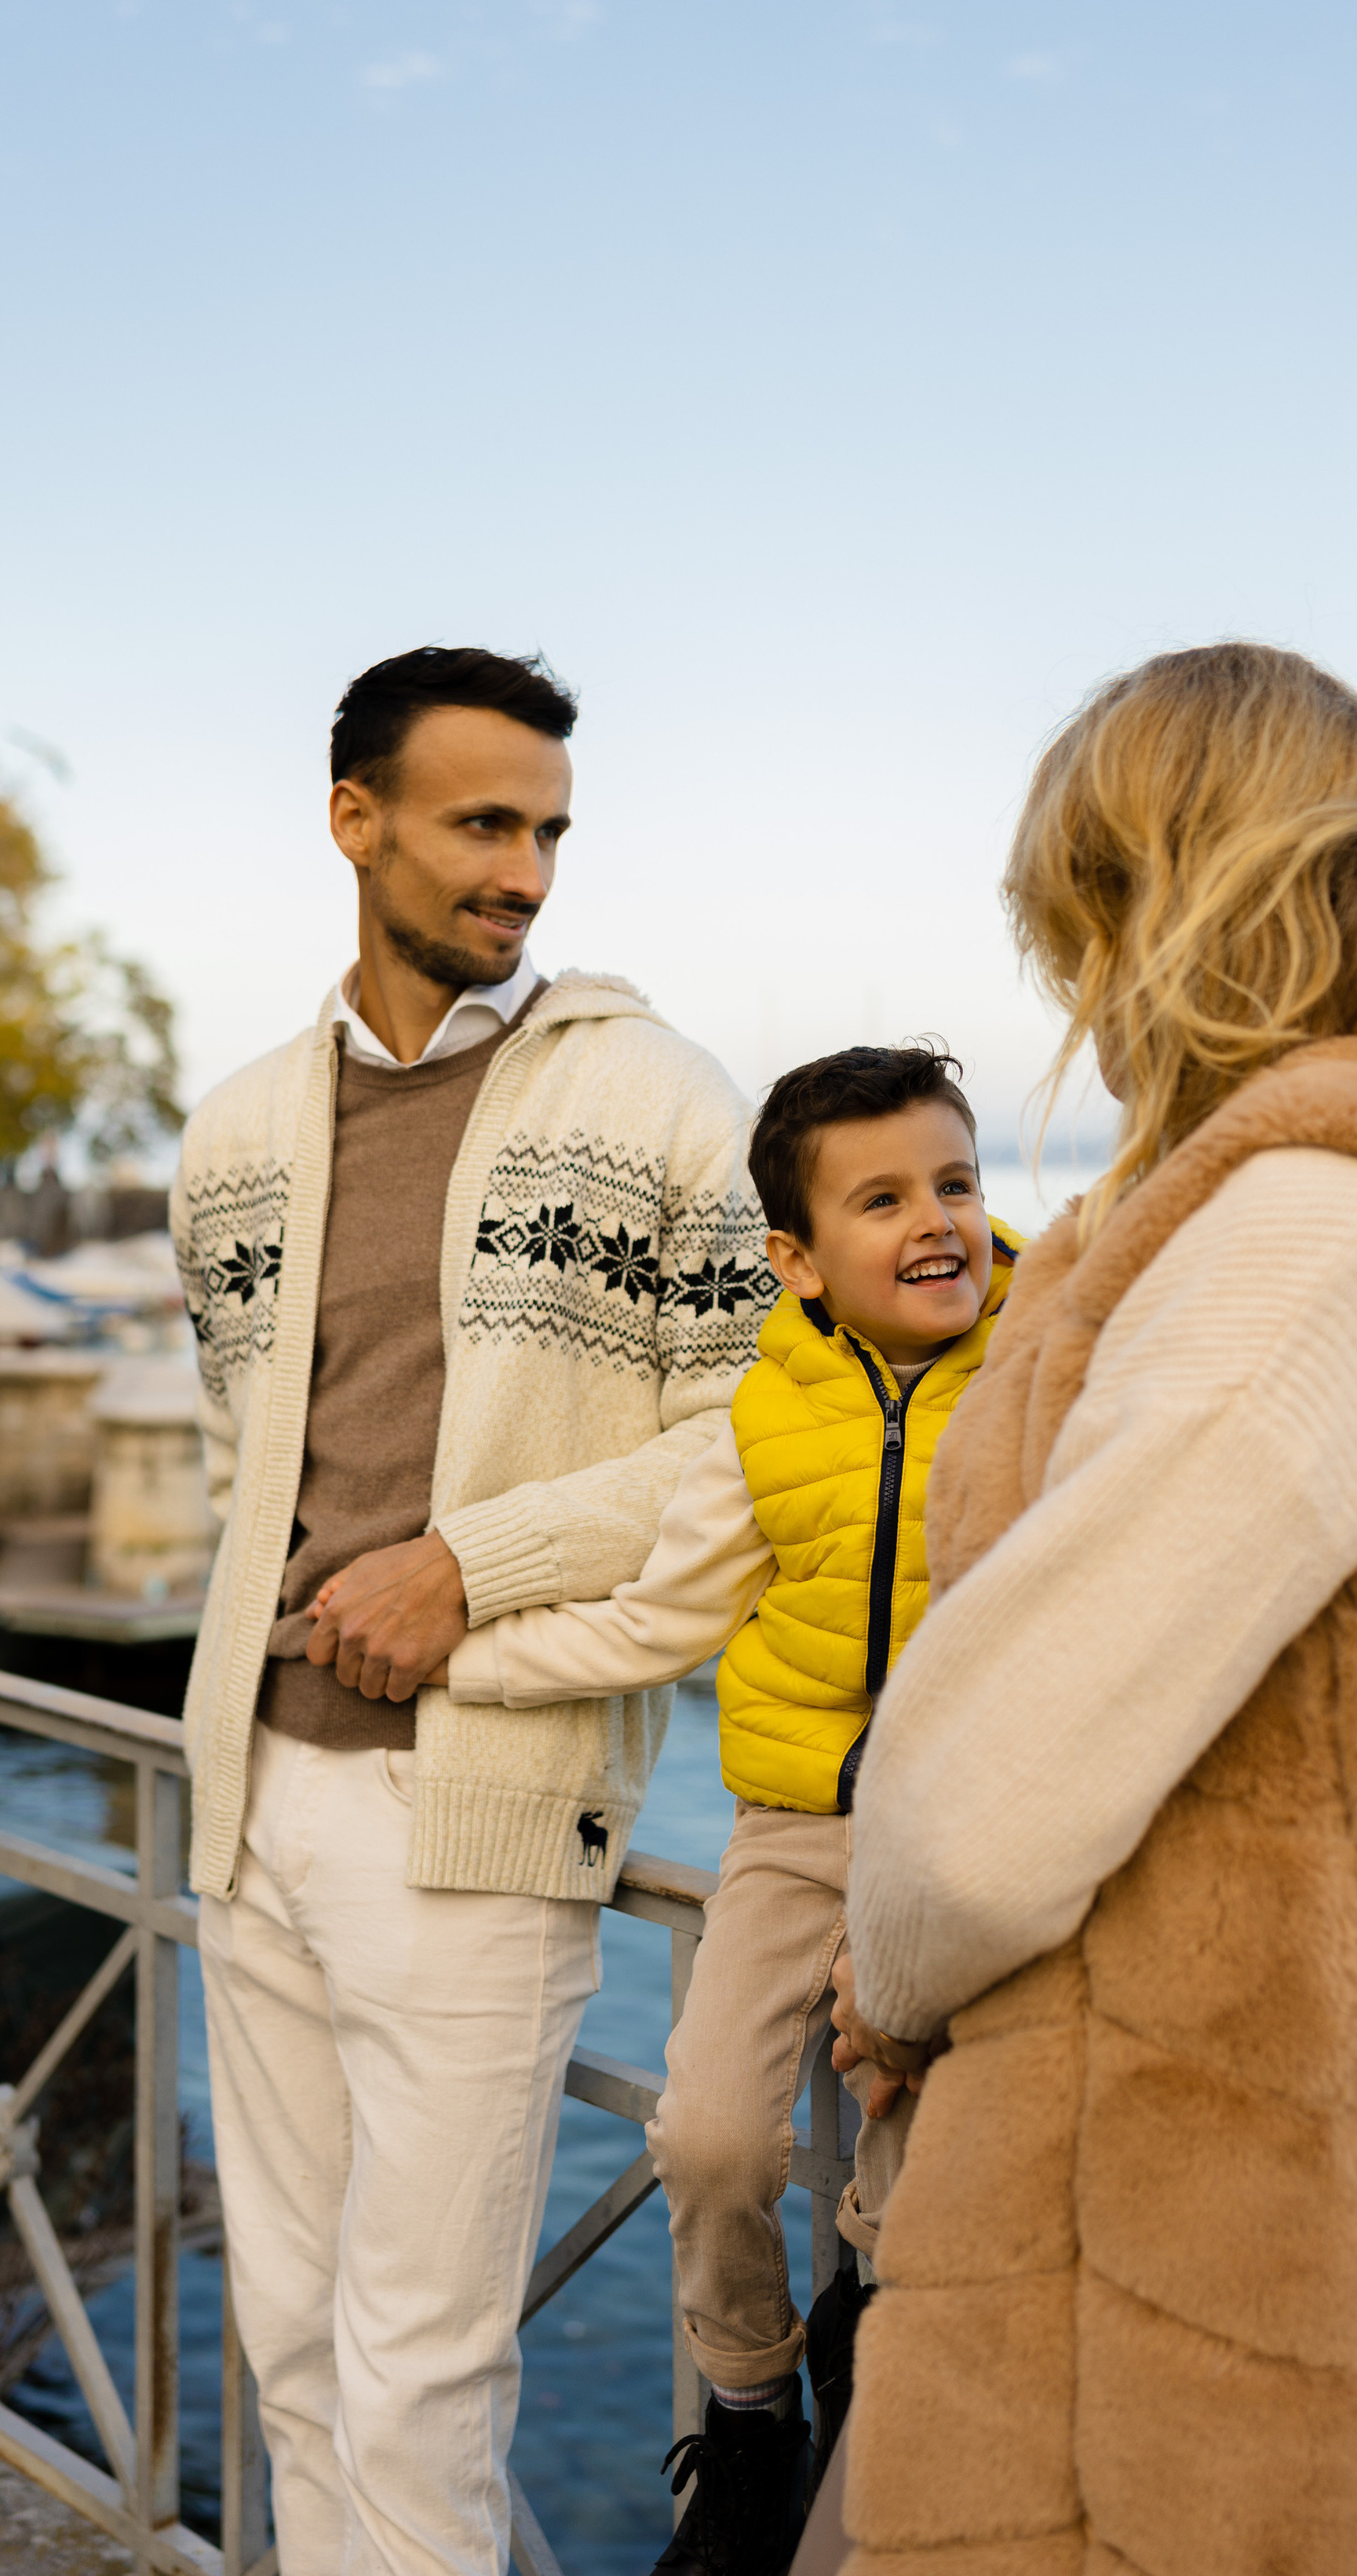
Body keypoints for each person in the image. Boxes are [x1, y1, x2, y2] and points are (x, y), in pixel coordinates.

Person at [830, 644, 1357, 2576]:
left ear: (1171, 900)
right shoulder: (1350, 1189)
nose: (1073, 992)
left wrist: (887, 1973)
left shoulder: (1307, 1224)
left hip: (1191, 2262)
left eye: (1080, 922)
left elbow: (993, 1795)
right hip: (1254, 2219)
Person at [171, 644, 773, 2576]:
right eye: (482, 824)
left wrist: (467, 1569)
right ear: (353, 821)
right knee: (290, 2346)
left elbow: (753, 1442)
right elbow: (242, 1455)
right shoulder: (235, 1133)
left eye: (549, 833)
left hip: (483, 1813)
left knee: (418, 2376)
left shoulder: (659, 1100)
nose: (524, 872)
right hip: (251, 1797)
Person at [427, 1044, 1018, 2576]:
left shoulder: (1044, 1385)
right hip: (794, 1836)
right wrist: (463, 1663)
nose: (935, 1221)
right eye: (880, 1200)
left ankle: (876, 2379)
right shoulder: (759, 1419)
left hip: (974, 1849)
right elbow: (658, 1622)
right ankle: (753, 2418)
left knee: (917, 2172)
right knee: (702, 2137)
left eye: (954, 1183)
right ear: (795, 1260)